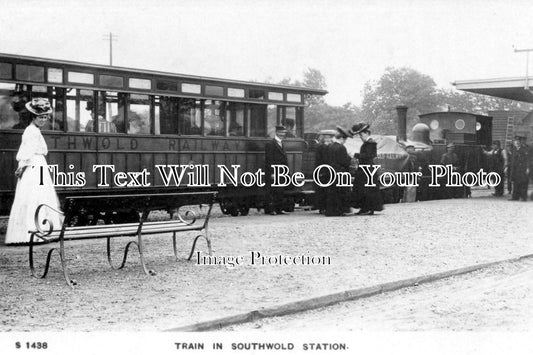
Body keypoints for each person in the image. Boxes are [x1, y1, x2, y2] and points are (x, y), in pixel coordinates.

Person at [5, 98, 62, 245]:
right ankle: (35, 232)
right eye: (40, 117)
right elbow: (27, 153)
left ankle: (40, 230)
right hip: (34, 166)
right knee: (34, 196)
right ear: (33, 117)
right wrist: (21, 167)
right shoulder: (32, 131)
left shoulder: (34, 130)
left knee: (39, 196)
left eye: (45, 117)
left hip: (37, 165)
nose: (43, 120)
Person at [351, 123, 384, 215]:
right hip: (365, 168)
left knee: (368, 189)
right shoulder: (368, 143)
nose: (361, 137)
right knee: (362, 189)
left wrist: (356, 155)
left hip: (368, 169)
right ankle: (364, 208)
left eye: (361, 135)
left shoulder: (371, 143)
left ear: (366, 133)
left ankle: (370, 208)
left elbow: (369, 156)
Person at [324, 126, 353, 216]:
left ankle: (331, 211)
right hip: (340, 172)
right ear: (341, 138)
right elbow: (344, 161)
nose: (345, 141)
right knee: (341, 192)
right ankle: (339, 210)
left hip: (331, 172)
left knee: (332, 192)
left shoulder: (330, 146)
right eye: (344, 139)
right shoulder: (341, 148)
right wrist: (349, 158)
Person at [264, 125, 289, 215]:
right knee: (273, 191)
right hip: (274, 171)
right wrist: (271, 172)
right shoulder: (271, 144)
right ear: (277, 132)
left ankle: (279, 209)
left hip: (281, 171)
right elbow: (269, 159)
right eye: (281, 133)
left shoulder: (282, 144)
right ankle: (271, 209)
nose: (282, 134)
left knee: (280, 190)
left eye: (284, 133)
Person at [314, 129, 336, 213]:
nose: (328, 140)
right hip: (323, 170)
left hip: (328, 170)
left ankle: (326, 206)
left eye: (329, 138)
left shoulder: (330, 146)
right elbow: (323, 159)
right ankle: (322, 207)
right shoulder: (320, 147)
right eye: (326, 138)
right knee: (322, 190)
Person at [509, 136, 530, 201]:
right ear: (514, 143)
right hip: (515, 169)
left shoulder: (524, 149)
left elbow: (527, 160)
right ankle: (515, 197)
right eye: (515, 142)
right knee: (515, 183)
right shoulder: (513, 150)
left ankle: (523, 197)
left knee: (523, 183)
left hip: (522, 169)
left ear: (520, 142)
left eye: (518, 142)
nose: (517, 143)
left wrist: (528, 168)